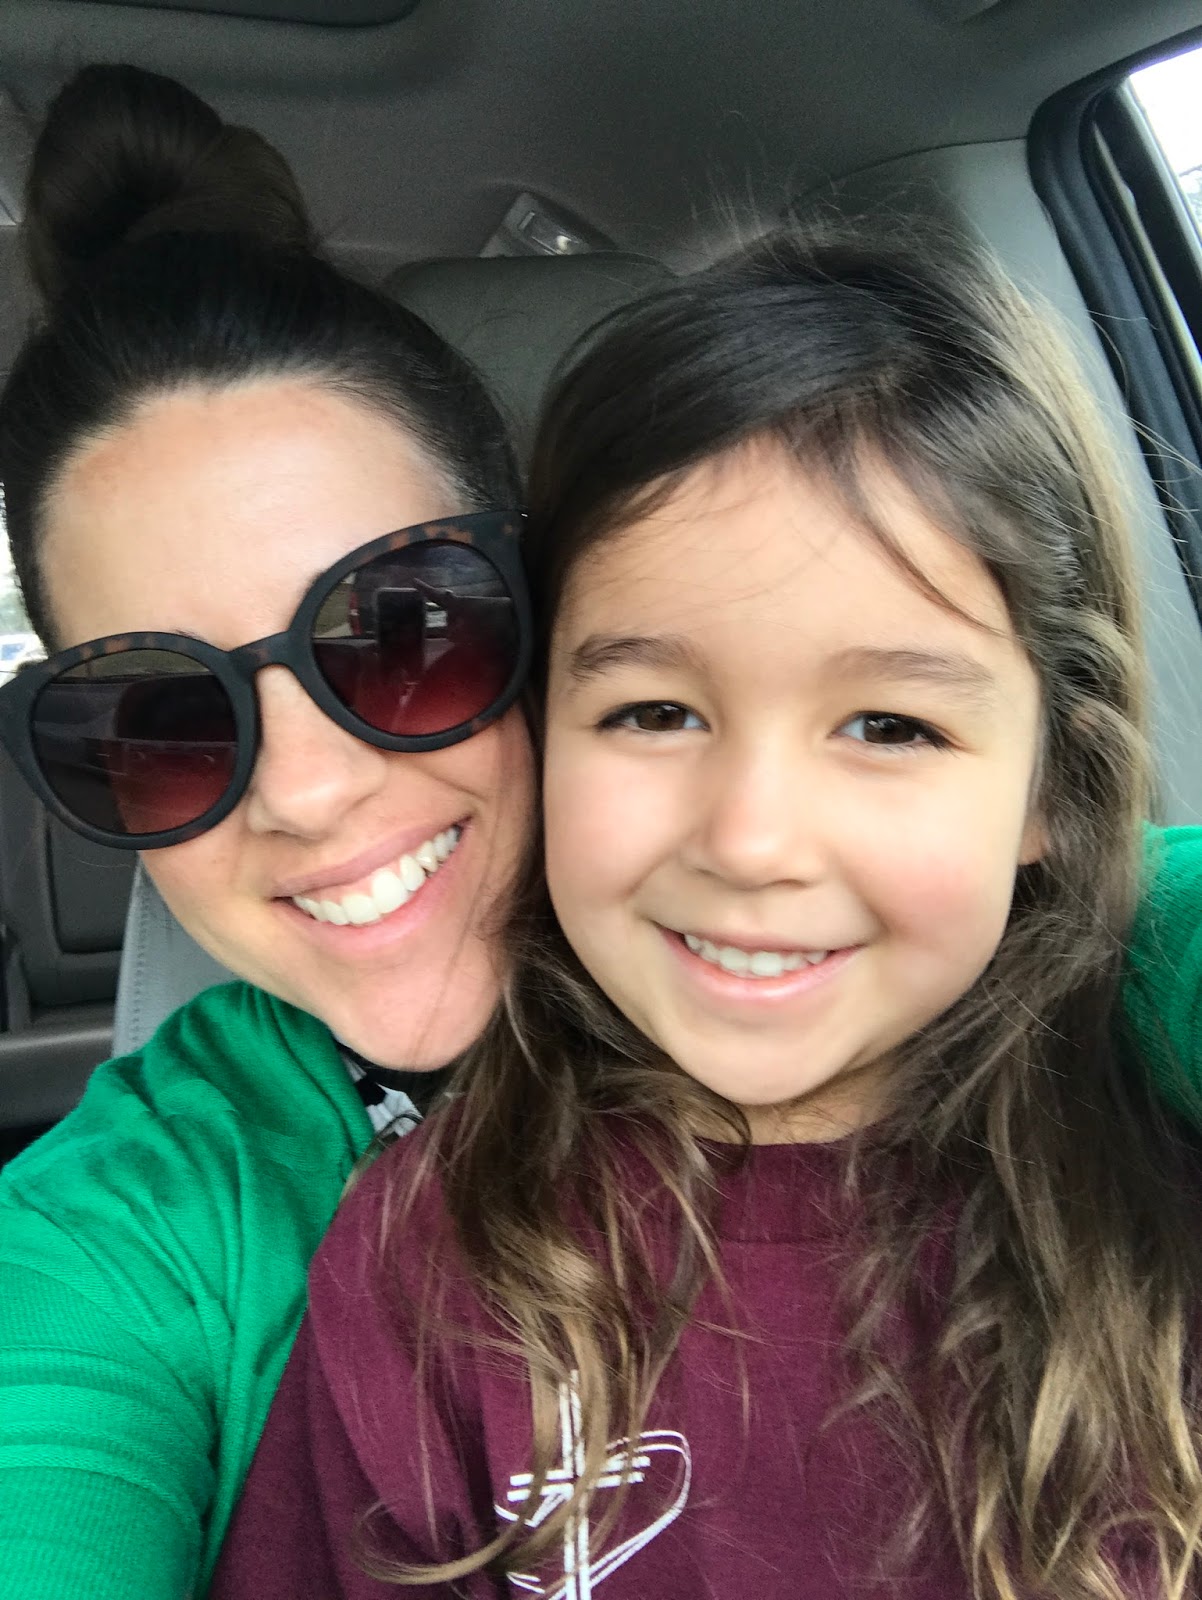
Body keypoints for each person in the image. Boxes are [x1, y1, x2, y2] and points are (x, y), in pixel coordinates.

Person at [213, 230, 1202, 1599]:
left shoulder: (1157, 1207)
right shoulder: (427, 1262)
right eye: (655, 712)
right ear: (538, 734)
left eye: (888, 726)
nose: (748, 840)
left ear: (1049, 786)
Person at [0, 65, 533, 1600]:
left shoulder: (861, 940)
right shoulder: (128, 1221)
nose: (300, 792)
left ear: (540, 600)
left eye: (403, 633)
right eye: (161, 714)